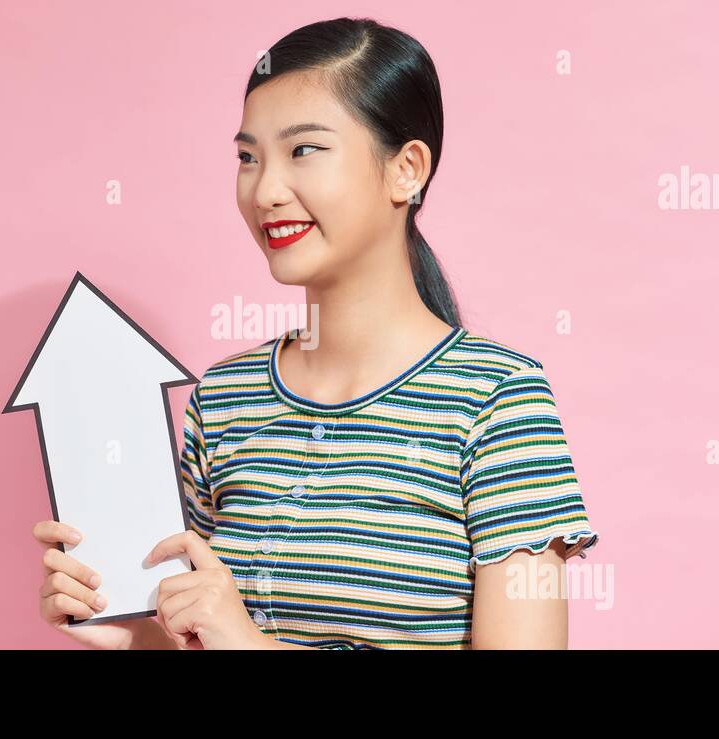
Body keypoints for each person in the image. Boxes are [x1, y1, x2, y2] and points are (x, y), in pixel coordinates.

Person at [33, 16, 599, 650]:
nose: (266, 190)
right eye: (249, 158)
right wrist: (129, 635)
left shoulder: (500, 399)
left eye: (304, 150)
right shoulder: (223, 399)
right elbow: (201, 637)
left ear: (406, 169)